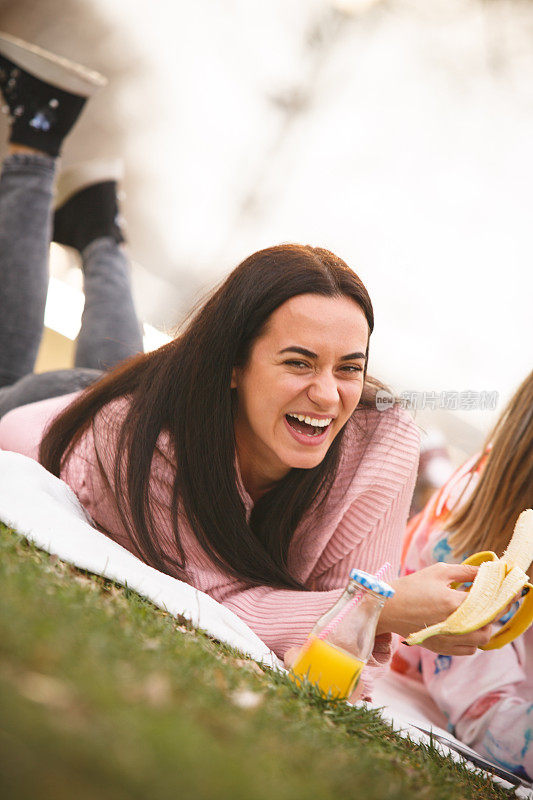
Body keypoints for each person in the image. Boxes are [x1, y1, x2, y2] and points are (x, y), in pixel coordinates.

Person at [0, 32, 493, 685]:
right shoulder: (130, 443)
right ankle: (36, 136)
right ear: (233, 362)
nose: (328, 394)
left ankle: (98, 229)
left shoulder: (382, 436)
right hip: (51, 416)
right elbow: (213, 600)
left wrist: (373, 607)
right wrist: (381, 607)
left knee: (127, 372)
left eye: (349, 366)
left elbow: (343, 615)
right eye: (298, 362)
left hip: (148, 395)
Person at [394, 371, 533, 779]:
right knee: (438, 516)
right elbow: (483, 711)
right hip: (420, 665)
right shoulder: (472, 555)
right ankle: (430, 469)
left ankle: (434, 466)